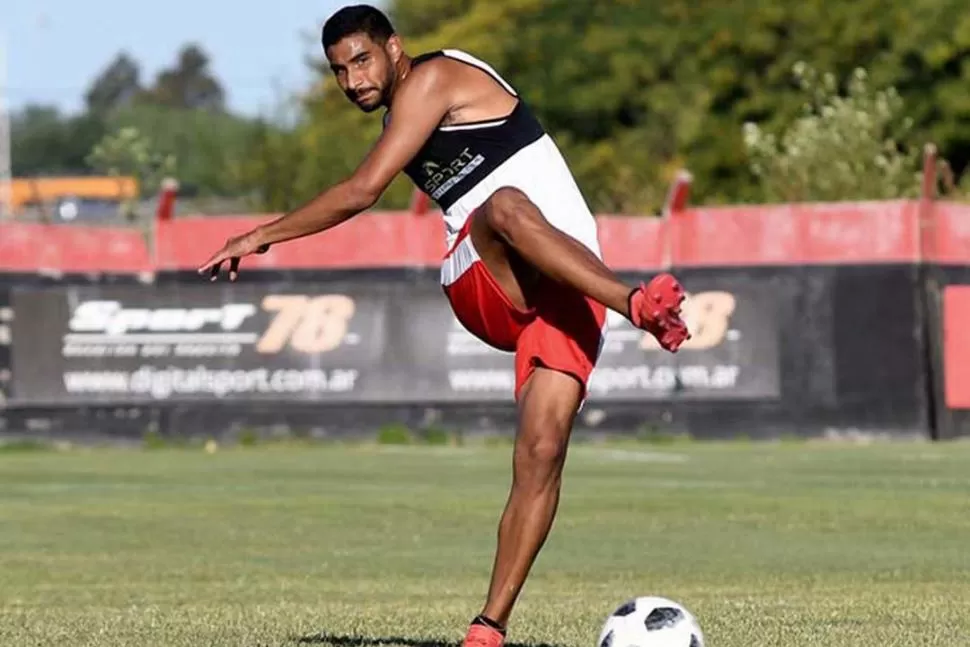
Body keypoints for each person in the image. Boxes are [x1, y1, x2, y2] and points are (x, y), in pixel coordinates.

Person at [198, 5, 690, 647]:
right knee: (505, 205)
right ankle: (640, 306)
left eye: (362, 60)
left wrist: (261, 233)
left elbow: (360, 189)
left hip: (570, 287)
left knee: (541, 455)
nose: (352, 80)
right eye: (339, 70)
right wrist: (264, 235)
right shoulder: (403, 110)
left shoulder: (432, 79)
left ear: (395, 48)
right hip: (484, 277)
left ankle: (488, 629)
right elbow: (365, 188)